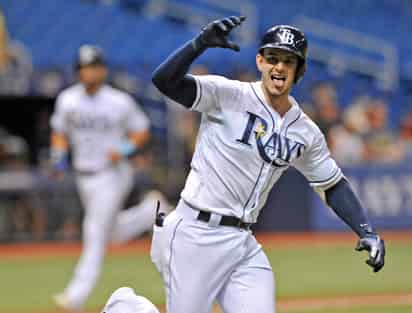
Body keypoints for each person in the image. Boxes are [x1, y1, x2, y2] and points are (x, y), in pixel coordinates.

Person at [145, 16, 385, 313]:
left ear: (300, 70)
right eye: (272, 58)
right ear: (260, 61)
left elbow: (332, 185)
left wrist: (366, 231)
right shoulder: (228, 94)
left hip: (242, 242)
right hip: (195, 232)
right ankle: (124, 307)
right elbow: (164, 81)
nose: (279, 67)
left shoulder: (305, 131)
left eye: (289, 60)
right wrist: (198, 44)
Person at [50, 44, 170, 311]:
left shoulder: (118, 100)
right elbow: (59, 132)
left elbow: (142, 131)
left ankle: (74, 297)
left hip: (112, 175)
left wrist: (124, 149)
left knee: (94, 232)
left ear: (102, 70)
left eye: (93, 67)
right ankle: (151, 210)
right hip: (84, 175)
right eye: (84, 67)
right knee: (111, 232)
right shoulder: (67, 99)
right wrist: (58, 157)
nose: (89, 72)